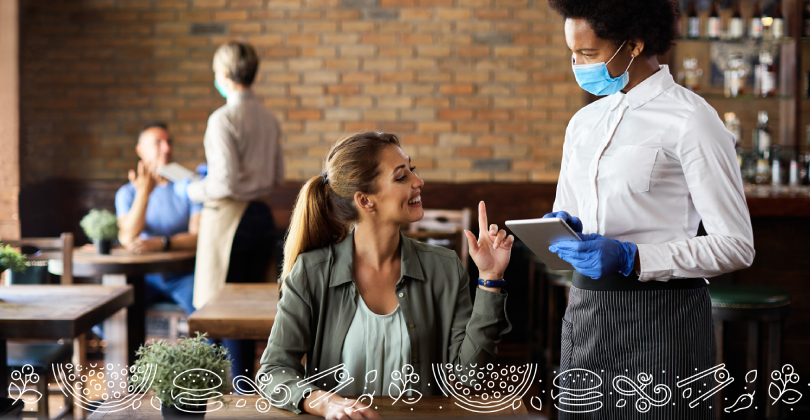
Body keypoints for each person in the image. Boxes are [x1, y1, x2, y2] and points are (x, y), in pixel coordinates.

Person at [544, 1, 755, 418]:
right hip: (587, 314)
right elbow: (566, 209)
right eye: (573, 53)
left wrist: (632, 256)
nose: (578, 64)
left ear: (635, 44)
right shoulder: (582, 124)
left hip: (664, 322)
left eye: (588, 54)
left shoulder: (693, 121)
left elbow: (736, 246)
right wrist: (563, 228)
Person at [256, 132, 514, 419]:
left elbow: (469, 377)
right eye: (401, 177)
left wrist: (490, 278)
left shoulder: (444, 268)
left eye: (412, 170)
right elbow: (272, 373)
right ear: (365, 201)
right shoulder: (312, 272)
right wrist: (323, 402)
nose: (419, 182)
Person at [173, 41, 284, 381]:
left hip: (229, 220)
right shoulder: (268, 118)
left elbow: (222, 182)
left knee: (220, 309)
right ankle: (245, 391)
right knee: (248, 308)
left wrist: (189, 188)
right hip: (261, 215)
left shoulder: (222, 119)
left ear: (223, 74)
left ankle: (229, 393)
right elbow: (278, 176)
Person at [115, 121, 202, 316]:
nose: (167, 148)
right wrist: (144, 193)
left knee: (206, 315)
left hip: (184, 275)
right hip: (143, 276)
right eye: (158, 143)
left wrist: (162, 243)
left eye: (169, 142)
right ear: (140, 150)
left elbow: (199, 238)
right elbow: (127, 238)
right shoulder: (127, 194)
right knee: (114, 315)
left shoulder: (190, 188)